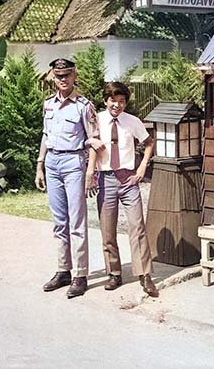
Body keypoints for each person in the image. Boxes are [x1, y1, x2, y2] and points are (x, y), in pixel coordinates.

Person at [35, 58, 102, 299]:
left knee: (76, 221)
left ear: (74, 76)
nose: (62, 79)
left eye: (67, 75)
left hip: (74, 163)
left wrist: (90, 172)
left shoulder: (84, 106)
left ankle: (80, 275)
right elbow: (46, 135)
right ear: (52, 76)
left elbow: (94, 140)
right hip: (52, 162)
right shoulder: (48, 105)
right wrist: (40, 165)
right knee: (59, 221)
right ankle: (64, 270)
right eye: (58, 75)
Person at [85, 81, 159, 298]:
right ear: (105, 101)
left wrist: (143, 166)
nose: (117, 105)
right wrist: (90, 173)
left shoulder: (132, 121)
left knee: (137, 227)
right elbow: (90, 145)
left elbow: (148, 142)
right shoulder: (97, 120)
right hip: (105, 179)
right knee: (107, 230)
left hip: (128, 180)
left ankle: (144, 275)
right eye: (113, 101)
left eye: (121, 101)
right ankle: (114, 273)